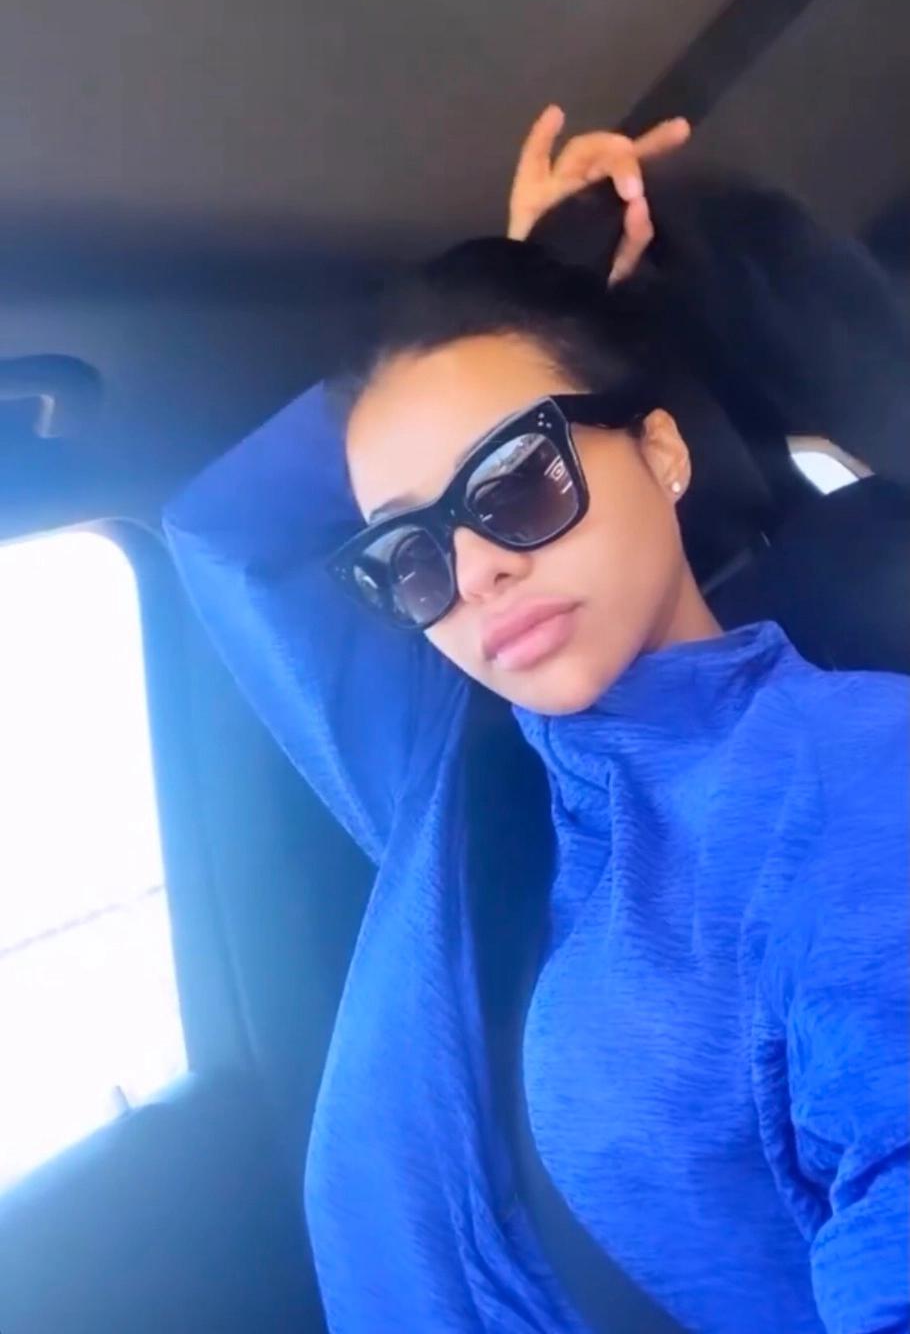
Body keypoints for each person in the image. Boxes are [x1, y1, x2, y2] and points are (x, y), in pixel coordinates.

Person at [164, 112, 909, 1334]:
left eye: (516, 477)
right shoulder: (452, 776)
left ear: (662, 451)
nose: (471, 573)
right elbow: (231, 534)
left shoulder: (859, 784)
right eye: (409, 551)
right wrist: (508, 296)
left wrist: (518, 315)